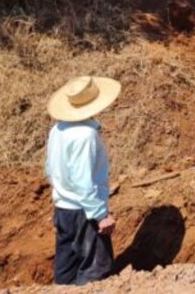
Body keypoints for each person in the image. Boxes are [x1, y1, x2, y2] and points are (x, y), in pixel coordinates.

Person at [45, 75, 121, 285]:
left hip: (63, 210)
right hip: (83, 213)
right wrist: (100, 215)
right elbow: (83, 181)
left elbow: (50, 169)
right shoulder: (85, 135)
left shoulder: (57, 130)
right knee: (96, 270)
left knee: (66, 269)